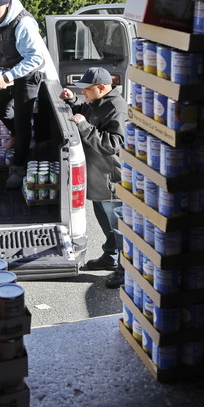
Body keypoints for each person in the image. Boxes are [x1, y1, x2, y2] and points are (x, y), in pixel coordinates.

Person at [0, 0, 58, 188]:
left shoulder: (24, 24)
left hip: (29, 72)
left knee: (23, 120)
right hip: (4, 69)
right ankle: (18, 135)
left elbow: (35, 58)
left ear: (7, 3)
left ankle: (19, 166)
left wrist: (8, 77)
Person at [59, 67, 127, 288]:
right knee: (105, 222)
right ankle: (110, 257)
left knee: (119, 227)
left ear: (102, 87)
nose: (84, 93)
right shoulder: (99, 102)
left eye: (86, 90)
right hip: (99, 178)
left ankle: (125, 269)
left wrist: (84, 126)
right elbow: (88, 113)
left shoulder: (117, 108)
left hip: (111, 179)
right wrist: (73, 102)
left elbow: (115, 144)